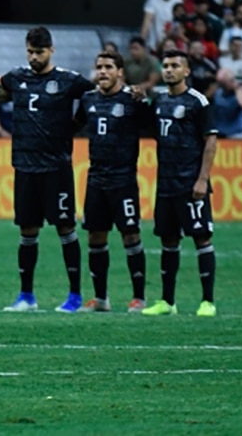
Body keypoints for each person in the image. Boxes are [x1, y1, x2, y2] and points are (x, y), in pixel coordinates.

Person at [0, 27, 96, 313]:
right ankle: (26, 296)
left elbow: (95, 96)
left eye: (39, 52)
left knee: (65, 228)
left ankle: (74, 296)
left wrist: (76, 124)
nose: (34, 58)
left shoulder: (67, 80)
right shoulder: (17, 77)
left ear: (51, 50)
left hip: (56, 168)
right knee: (27, 230)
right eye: (30, 52)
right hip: (25, 166)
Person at [74, 50, 153, 314]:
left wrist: (145, 100)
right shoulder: (88, 99)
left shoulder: (132, 100)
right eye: (99, 67)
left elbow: (152, 125)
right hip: (96, 180)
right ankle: (100, 299)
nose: (103, 72)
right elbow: (73, 126)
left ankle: (139, 298)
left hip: (123, 180)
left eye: (108, 67)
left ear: (120, 72)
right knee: (95, 236)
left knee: (130, 234)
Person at [144, 50, 219, 317]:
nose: (169, 69)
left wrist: (202, 180)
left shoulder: (198, 101)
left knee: (201, 238)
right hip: (166, 184)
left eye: (175, 65)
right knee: (168, 239)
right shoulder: (159, 100)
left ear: (186, 71)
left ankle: (207, 301)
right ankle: (167, 302)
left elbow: (211, 141)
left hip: (190, 184)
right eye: (165, 65)